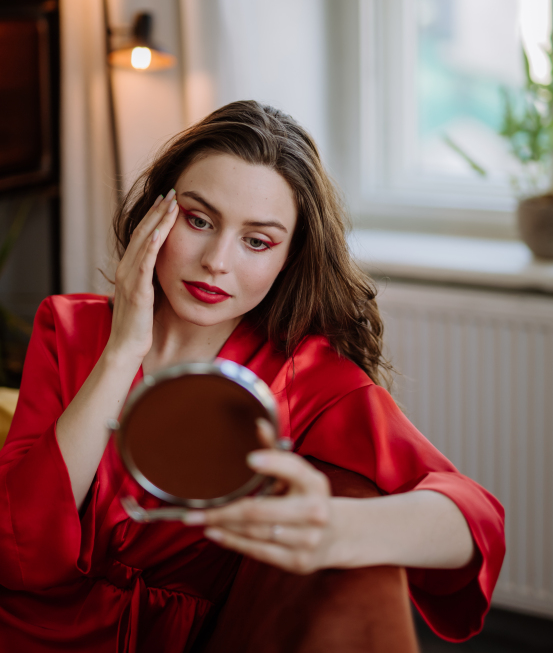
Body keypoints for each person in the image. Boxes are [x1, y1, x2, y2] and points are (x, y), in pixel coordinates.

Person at [0, 101, 504, 652]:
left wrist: (335, 530)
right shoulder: (67, 327)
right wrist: (122, 352)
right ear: (155, 216)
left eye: (257, 241)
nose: (217, 260)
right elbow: (16, 547)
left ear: (289, 257)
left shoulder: (307, 379)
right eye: (198, 220)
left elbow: (475, 520)